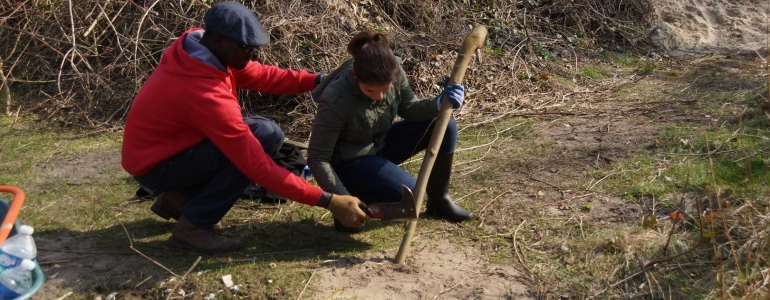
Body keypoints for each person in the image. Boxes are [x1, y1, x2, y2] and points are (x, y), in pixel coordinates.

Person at [121, 1, 368, 254]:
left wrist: (318, 80)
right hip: (156, 166)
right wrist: (329, 200)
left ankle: (178, 200)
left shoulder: (197, 51)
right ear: (218, 40)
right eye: (246, 47)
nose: (252, 53)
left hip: (164, 152)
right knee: (257, 143)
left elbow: (259, 74)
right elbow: (257, 166)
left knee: (267, 133)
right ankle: (192, 228)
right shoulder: (204, 93)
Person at [307, 31, 473, 233]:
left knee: (444, 125)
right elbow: (318, 158)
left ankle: (439, 201)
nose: (379, 97)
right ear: (354, 75)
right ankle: (356, 203)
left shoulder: (394, 70)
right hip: (347, 162)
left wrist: (439, 103)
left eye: (384, 90)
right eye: (370, 91)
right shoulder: (336, 100)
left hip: (378, 145)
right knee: (409, 194)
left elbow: (410, 109)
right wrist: (341, 201)